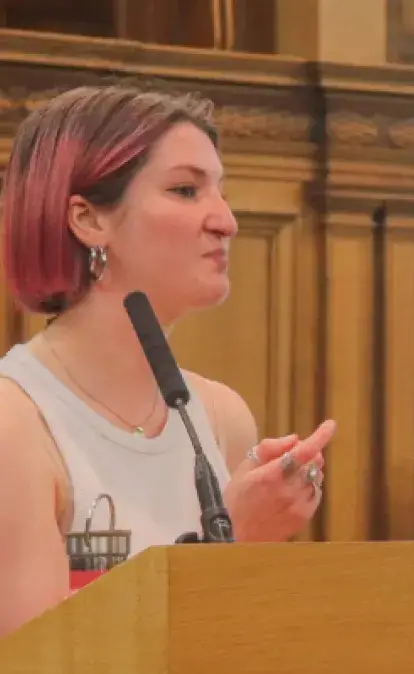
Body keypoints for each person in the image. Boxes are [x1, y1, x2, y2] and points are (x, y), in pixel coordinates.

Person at [0, 84, 336, 640]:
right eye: (186, 190)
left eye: (220, 193)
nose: (226, 221)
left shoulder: (221, 416)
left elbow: (226, 642)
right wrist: (231, 543)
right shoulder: (15, 424)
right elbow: (36, 659)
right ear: (87, 220)